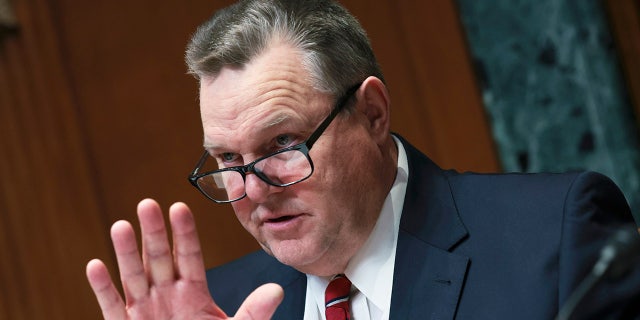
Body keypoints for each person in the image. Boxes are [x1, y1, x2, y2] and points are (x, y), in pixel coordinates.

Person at [86, 0, 640, 319]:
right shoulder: (224, 306)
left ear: (373, 113)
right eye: (229, 159)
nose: (253, 189)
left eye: (283, 144)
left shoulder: (556, 238)